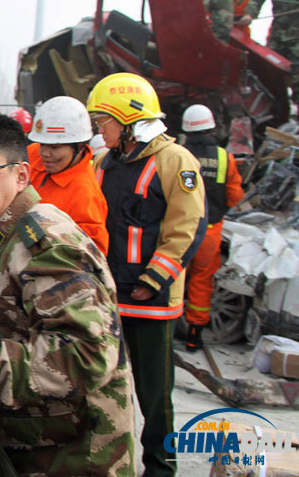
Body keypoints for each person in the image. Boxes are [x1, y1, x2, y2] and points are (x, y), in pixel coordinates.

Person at [0, 113, 136, 476]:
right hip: (32, 436)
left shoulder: (45, 245)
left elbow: (88, 355)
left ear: (21, 175)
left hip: (75, 458)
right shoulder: (0, 236)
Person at [88, 72, 207, 477]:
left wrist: (151, 281)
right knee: (102, 390)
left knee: (155, 398)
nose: (97, 130)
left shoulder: (176, 162)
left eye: (102, 121)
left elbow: (186, 228)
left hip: (150, 302)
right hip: (104, 298)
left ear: (128, 121)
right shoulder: (102, 163)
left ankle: (160, 468)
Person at [179, 105, 245, 352]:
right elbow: (234, 195)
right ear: (211, 127)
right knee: (201, 279)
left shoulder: (178, 153)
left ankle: (163, 327)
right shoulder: (223, 157)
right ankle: (194, 334)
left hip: (179, 228)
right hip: (210, 228)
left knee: (172, 275)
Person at [26, 95, 110, 254]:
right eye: (42, 144)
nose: (45, 153)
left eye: (55, 147)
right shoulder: (33, 155)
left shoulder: (86, 196)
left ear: (78, 146)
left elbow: (92, 255)